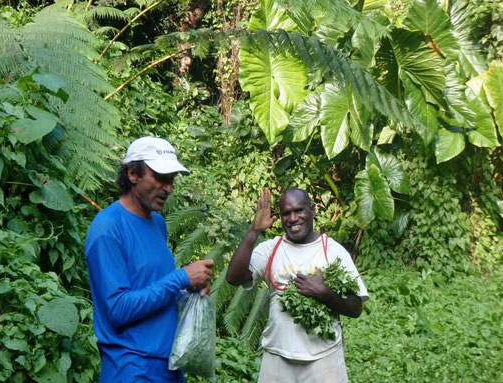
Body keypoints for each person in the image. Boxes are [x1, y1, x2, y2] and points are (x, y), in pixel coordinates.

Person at [85, 136, 214, 383]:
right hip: (131, 367)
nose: (169, 188)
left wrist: (187, 289)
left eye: (171, 180)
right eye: (161, 178)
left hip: (170, 366)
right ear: (133, 174)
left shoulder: (157, 223)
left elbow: (153, 286)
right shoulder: (107, 228)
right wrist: (180, 277)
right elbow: (118, 309)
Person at [226, 188, 369, 383]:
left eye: (299, 210)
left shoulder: (332, 251)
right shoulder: (271, 249)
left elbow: (356, 308)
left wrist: (324, 294)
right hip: (277, 358)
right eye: (286, 213)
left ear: (312, 211)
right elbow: (233, 277)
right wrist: (254, 231)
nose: (293, 218)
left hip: (323, 360)